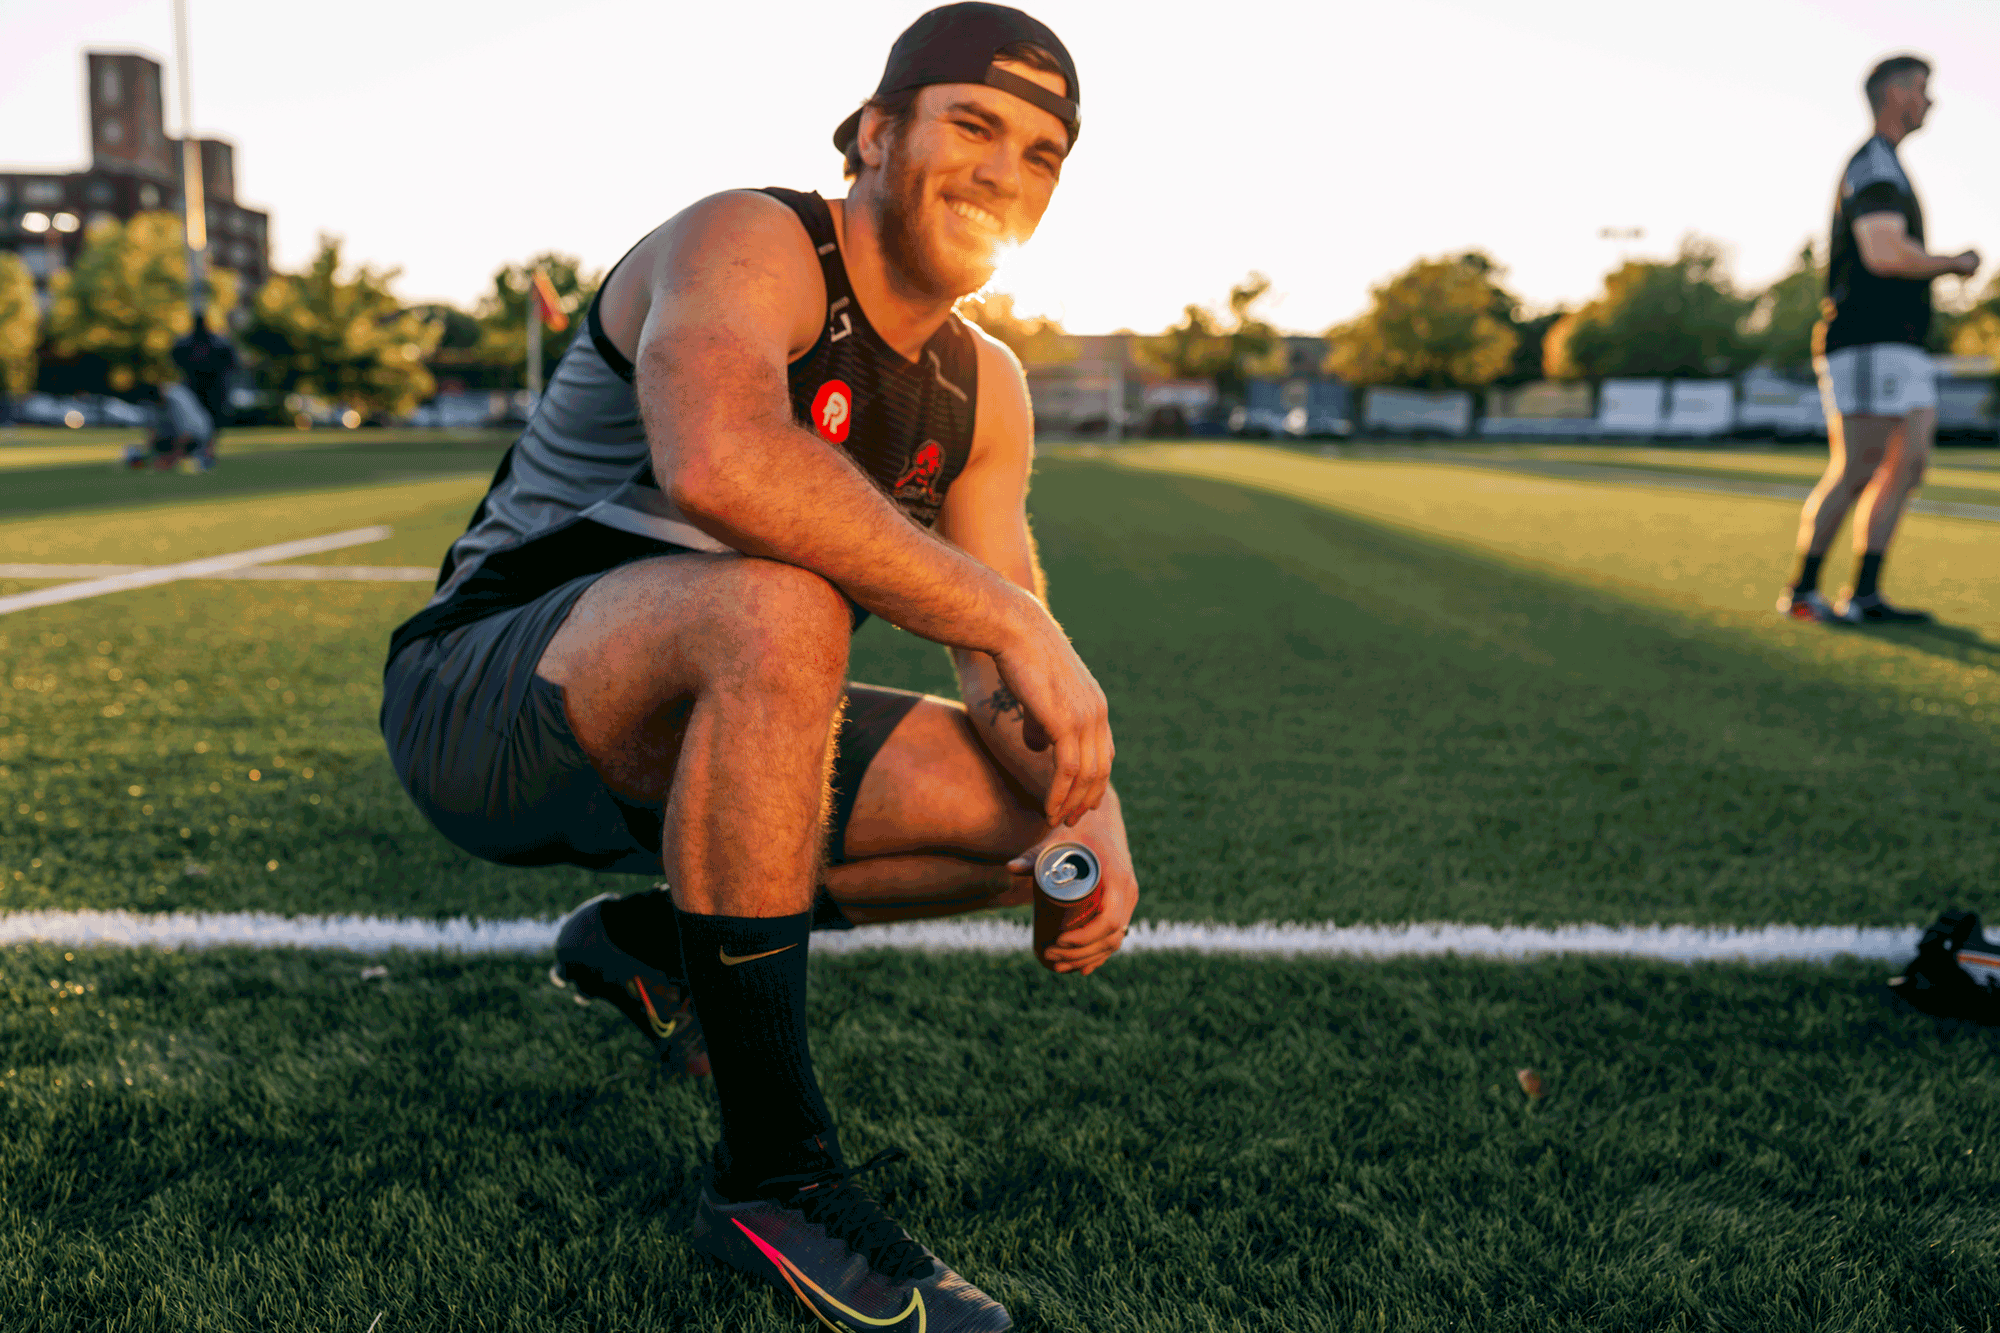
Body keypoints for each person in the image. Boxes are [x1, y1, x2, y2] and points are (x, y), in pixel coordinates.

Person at [378, 7, 1133, 1329]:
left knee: (1021, 811)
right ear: (876, 132)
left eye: (1042, 151)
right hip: (486, 704)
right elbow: (719, 458)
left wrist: (1092, 808)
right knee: (781, 607)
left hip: (685, 734)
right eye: (972, 123)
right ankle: (773, 1177)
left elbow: (1000, 636)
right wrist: (1019, 624)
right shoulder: (752, 238)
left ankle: (652, 942)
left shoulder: (986, 386)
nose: (1004, 166)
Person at [1778, 54, 1981, 625]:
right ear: (1894, 93)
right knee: (1858, 466)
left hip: (1902, 343)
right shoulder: (1872, 166)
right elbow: (1883, 254)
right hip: (1866, 340)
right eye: (1921, 88)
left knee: (1909, 462)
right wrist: (1954, 262)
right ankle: (1803, 590)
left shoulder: (1889, 164)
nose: (1930, 100)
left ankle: (1863, 593)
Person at [171, 322, 238, 463]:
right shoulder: (186, 343)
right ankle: (193, 453)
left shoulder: (219, 343)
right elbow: (176, 358)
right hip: (195, 389)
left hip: (214, 390)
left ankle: (207, 453)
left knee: (212, 424)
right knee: (193, 423)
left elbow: (231, 362)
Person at [127, 377, 214, 472]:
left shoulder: (176, 401)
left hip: (197, 437)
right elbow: (155, 431)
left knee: (190, 453)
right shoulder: (164, 397)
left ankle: (200, 458)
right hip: (187, 437)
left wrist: (169, 460)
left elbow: (186, 437)